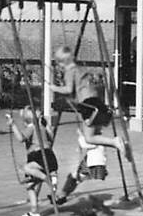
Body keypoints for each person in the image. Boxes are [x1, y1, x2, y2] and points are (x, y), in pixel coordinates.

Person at [49, 46, 129, 204]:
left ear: (62, 62)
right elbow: (79, 92)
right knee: (90, 137)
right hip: (97, 103)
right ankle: (62, 195)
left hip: (89, 106)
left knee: (89, 137)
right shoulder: (80, 70)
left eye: (58, 63)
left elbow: (68, 89)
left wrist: (52, 87)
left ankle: (115, 142)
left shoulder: (70, 71)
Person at [7, 107, 58, 216]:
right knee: (30, 186)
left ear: (26, 121)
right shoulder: (43, 128)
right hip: (50, 156)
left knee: (26, 168)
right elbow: (50, 139)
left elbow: (20, 138)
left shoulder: (32, 128)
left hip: (38, 156)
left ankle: (48, 179)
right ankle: (34, 211)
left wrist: (13, 125)